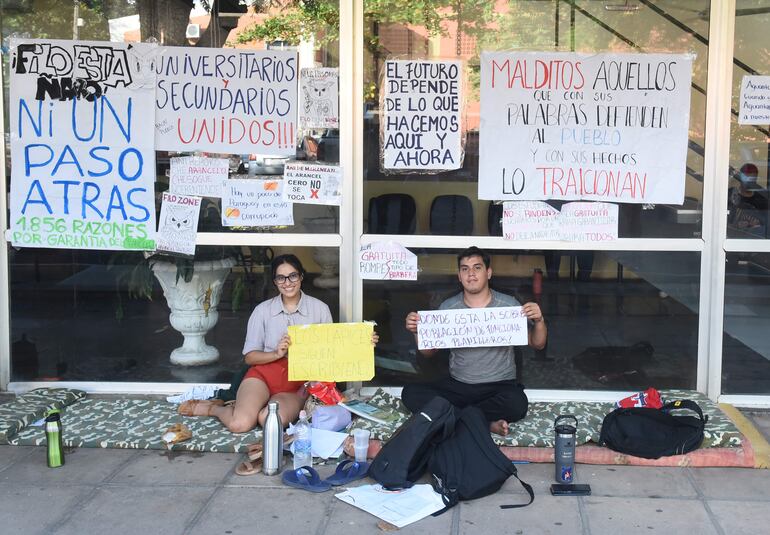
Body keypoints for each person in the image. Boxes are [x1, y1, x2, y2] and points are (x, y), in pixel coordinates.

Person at [179, 253, 378, 433]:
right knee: (239, 424)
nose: (287, 282)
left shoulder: (320, 309)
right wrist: (277, 353)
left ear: (301, 276)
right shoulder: (263, 310)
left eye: (292, 275)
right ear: (275, 281)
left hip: (299, 384)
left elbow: (332, 352)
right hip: (263, 375)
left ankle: (251, 407)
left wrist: (361, 344)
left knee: (268, 419)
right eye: (280, 277)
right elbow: (250, 357)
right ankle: (216, 409)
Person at [403, 246, 547, 436]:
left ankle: (457, 418)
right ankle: (484, 422)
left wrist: (539, 321)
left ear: (488, 273)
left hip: (499, 386)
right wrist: (417, 331)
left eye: (477, 268)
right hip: (459, 386)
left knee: (517, 404)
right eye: (465, 269)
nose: (471, 274)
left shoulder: (509, 305)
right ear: (459, 276)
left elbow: (538, 344)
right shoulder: (448, 307)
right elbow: (429, 351)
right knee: (410, 394)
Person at [728, 163, 768, 237]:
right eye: (747, 178)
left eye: (753, 179)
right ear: (740, 178)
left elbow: (766, 225)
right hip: (732, 241)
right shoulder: (730, 195)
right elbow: (721, 223)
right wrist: (736, 225)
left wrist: (756, 224)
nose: (750, 182)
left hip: (754, 241)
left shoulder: (762, 199)